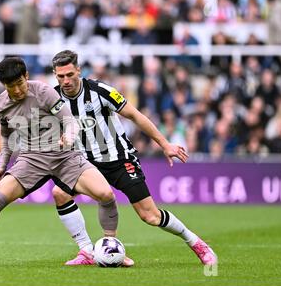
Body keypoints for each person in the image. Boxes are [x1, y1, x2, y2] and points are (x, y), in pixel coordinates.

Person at [0, 57, 127, 266]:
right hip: (31, 160)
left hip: (65, 155)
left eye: (20, 83)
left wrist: (70, 135)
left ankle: (111, 248)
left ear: (26, 76)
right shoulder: (1, 104)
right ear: (3, 84)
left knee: (106, 194)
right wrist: (2, 165)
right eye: (11, 86)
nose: (17, 90)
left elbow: (68, 120)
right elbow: (7, 137)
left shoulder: (44, 92)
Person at [50, 50, 217, 266]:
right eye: (60, 76)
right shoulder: (54, 99)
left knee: (150, 216)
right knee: (60, 193)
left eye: (69, 75)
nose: (65, 81)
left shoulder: (100, 91)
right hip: (85, 163)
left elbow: (135, 116)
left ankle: (196, 243)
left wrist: (165, 144)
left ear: (79, 71)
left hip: (119, 159)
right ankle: (87, 252)